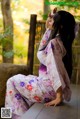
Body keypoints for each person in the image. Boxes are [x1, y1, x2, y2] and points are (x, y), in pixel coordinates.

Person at [5, 9, 74, 119]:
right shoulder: (62, 41)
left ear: (60, 26)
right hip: (50, 88)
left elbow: (54, 69)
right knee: (23, 83)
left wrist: (59, 96)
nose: (50, 22)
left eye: (53, 21)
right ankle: (19, 116)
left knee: (12, 81)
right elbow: (43, 46)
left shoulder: (54, 44)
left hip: (48, 89)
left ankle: (9, 116)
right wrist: (51, 20)